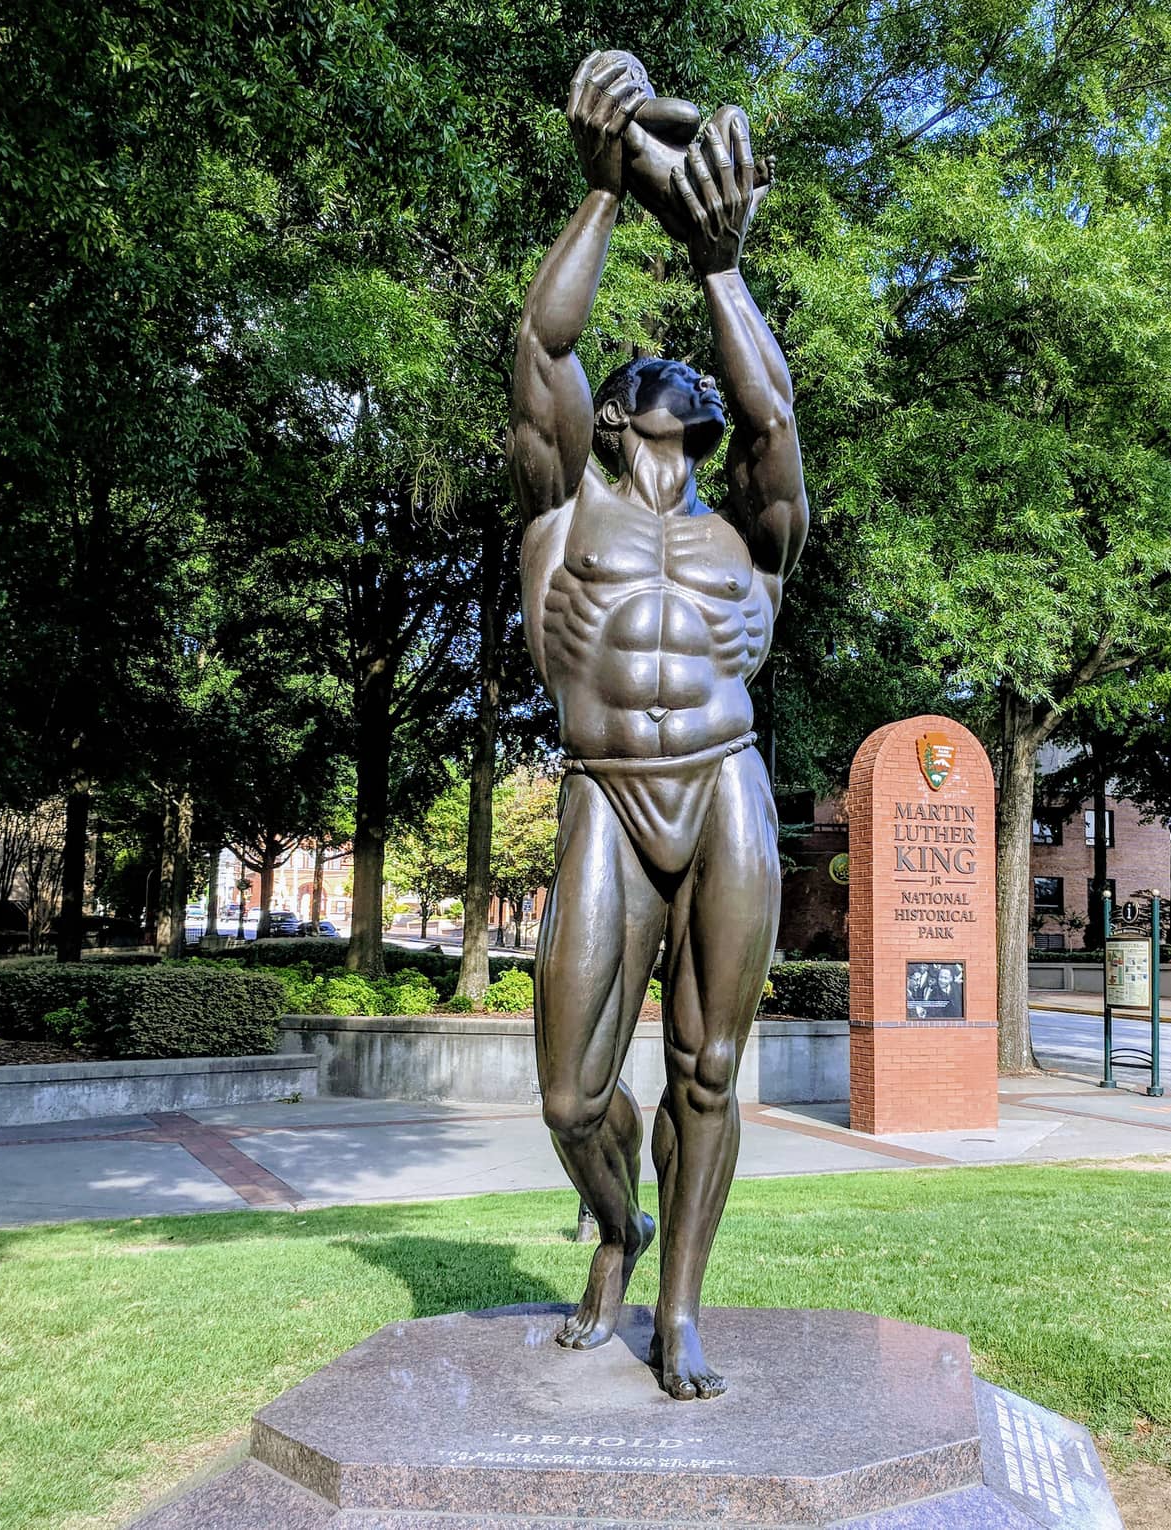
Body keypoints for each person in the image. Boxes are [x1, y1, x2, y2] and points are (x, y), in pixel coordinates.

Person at [508, 52, 807, 1400]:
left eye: (694, 421)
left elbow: (777, 417)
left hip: (724, 784)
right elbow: (542, 346)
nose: (678, 437)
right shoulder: (566, 513)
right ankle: (619, 1231)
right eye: (657, 416)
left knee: (710, 1063)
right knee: (571, 1095)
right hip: (607, 791)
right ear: (621, 422)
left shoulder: (749, 543)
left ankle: (677, 1306)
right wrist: (607, 192)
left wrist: (719, 261)